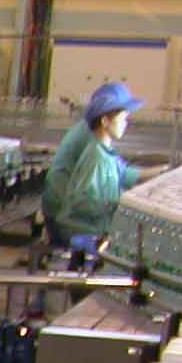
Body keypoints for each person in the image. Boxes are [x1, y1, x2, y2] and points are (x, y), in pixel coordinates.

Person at [44, 80, 144, 253]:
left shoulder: (103, 150)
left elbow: (119, 173)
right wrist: (116, 202)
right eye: (123, 119)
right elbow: (84, 200)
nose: (126, 123)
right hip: (74, 225)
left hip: (82, 223)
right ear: (105, 121)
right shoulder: (95, 153)